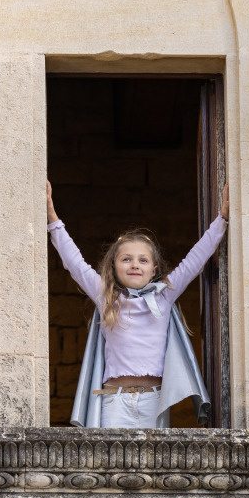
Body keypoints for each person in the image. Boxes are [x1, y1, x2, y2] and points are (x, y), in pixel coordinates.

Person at [47, 180, 227, 428]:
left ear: (154, 269)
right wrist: (52, 218)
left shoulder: (164, 295)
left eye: (143, 260)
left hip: (153, 400)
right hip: (114, 401)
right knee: (111, 455)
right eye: (126, 259)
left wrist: (222, 219)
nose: (134, 265)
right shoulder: (106, 296)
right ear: (114, 266)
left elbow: (195, 259)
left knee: (154, 455)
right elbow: (74, 263)